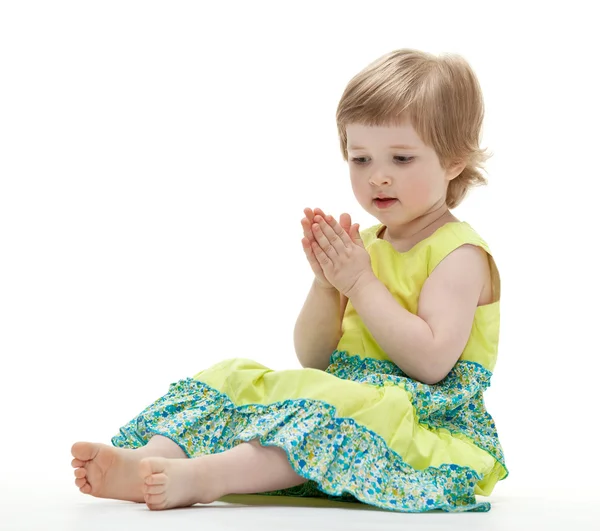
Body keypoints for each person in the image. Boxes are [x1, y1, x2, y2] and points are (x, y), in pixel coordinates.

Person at [71, 48, 507, 513]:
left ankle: (206, 477)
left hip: (422, 423)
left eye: (401, 158)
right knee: (237, 376)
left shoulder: (457, 254)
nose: (378, 177)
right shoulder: (363, 247)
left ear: (455, 161)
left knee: (327, 410)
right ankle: (147, 460)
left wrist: (359, 284)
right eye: (360, 159)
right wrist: (327, 284)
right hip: (346, 396)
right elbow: (315, 358)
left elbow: (432, 365)